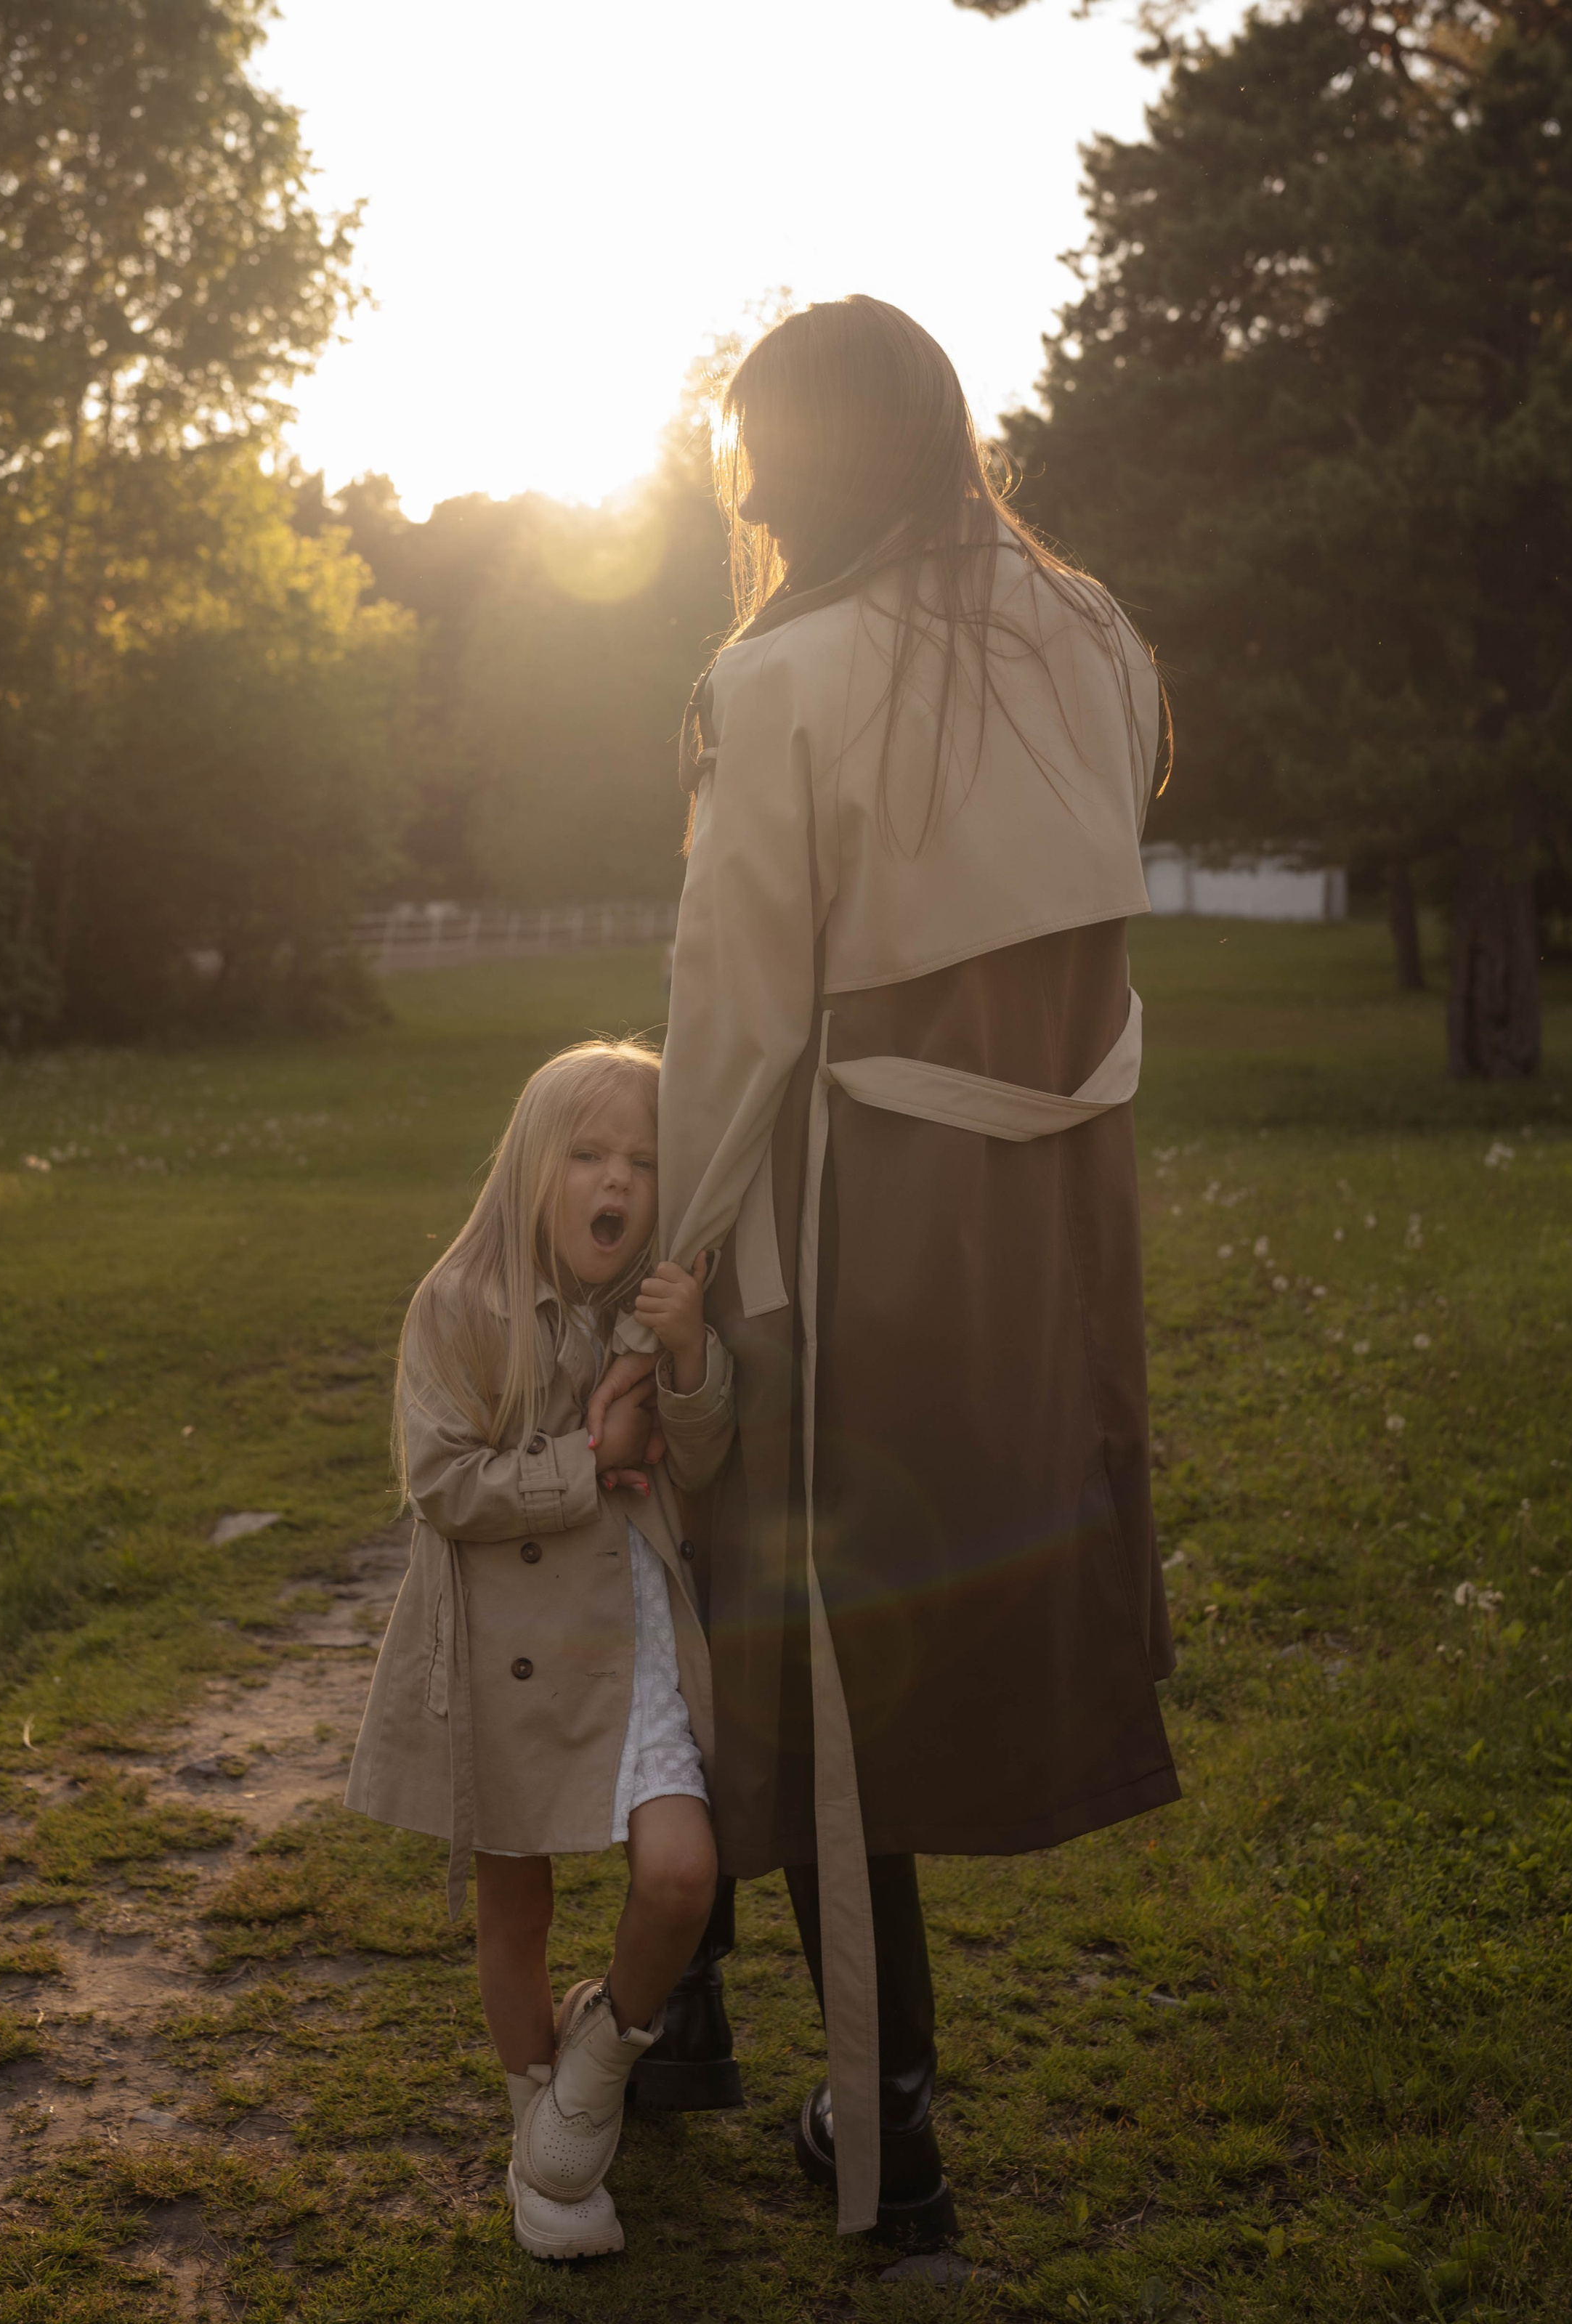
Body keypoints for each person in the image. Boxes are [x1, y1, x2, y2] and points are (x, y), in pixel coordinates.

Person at [591, 296, 1180, 2248]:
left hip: (851, 1211)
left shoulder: (790, 678)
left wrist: (665, 1275)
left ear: (820, 451)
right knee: (851, 1618)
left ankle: (885, 2120)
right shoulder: (1093, 634)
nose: (744, 485)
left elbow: (736, 1010)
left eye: (760, 446)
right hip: (1046, 1220)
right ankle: (722, 2045)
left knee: (794, 1622)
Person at [343, 1040, 734, 2261]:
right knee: (517, 1905)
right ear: (532, 1165)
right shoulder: (459, 1305)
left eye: (644, 1162)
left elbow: (709, 1473)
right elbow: (442, 1482)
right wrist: (588, 1460)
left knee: (679, 1874)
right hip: (504, 1648)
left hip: (628, 1632)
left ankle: (595, 2066)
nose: (616, 1180)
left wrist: (687, 1361)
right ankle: (539, 2135)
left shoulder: (659, 1301)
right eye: (589, 1155)